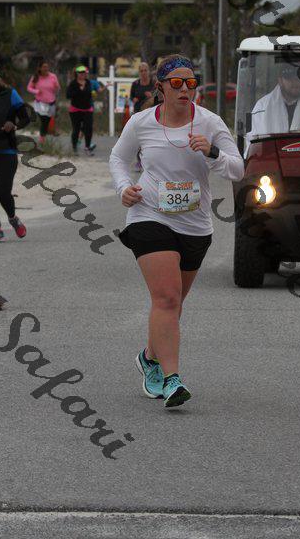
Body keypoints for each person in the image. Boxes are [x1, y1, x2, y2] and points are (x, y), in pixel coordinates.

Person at [109, 54, 244, 408]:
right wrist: (123, 188)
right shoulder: (141, 123)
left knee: (173, 304)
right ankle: (172, 379)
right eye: (177, 83)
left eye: (191, 83)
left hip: (195, 225)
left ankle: (149, 358)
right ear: (161, 88)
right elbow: (119, 159)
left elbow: (237, 169)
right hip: (149, 215)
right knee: (167, 298)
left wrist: (213, 152)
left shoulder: (210, 122)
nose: (185, 89)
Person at [246, 65, 300, 155]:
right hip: (271, 161)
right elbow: (253, 143)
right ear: (280, 80)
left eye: (299, 78)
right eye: (290, 79)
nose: (295, 82)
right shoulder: (262, 107)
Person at [0, 63, 31, 242]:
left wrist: (14, 125)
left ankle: (13, 218)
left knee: (2, 191)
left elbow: (25, 117)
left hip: (6, 151)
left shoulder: (10, 94)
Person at [66, 65, 104, 156]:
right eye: (80, 72)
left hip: (87, 109)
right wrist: (79, 90)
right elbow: (68, 95)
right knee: (76, 129)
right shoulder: (73, 83)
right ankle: (74, 148)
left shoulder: (88, 83)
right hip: (75, 110)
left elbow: (89, 94)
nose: (82, 74)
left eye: (84, 72)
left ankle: (87, 147)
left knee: (88, 129)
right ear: (77, 74)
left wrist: (92, 94)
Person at [27, 61, 60, 144]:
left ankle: (43, 137)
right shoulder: (36, 77)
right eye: (44, 67)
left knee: (47, 121)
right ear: (40, 68)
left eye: (47, 67)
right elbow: (29, 88)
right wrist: (36, 91)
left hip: (51, 102)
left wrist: (56, 87)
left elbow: (57, 88)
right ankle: (42, 140)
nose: (46, 69)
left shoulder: (53, 76)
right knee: (44, 121)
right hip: (40, 103)